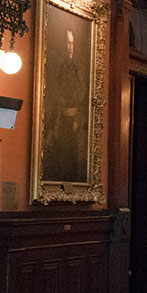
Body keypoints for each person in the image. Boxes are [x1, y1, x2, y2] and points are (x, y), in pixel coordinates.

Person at [47, 28, 88, 180]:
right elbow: (54, 96)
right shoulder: (56, 68)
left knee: (74, 156)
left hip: (75, 121)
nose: (70, 47)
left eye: (72, 43)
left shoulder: (79, 69)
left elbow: (82, 96)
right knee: (60, 156)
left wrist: (77, 118)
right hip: (59, 120)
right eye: (67, 43)